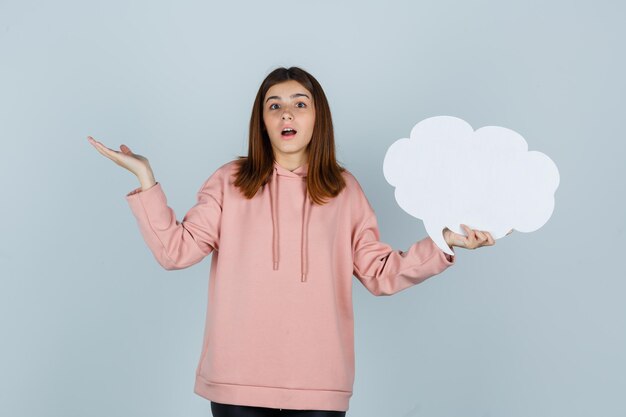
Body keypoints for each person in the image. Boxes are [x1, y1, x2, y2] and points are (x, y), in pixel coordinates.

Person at [88, 66, 499, 416]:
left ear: (318, 117)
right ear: (262, 120)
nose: (287, 113)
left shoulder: (344, 190)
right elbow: (175, 251)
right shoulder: (231, 181)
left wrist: (443, 242)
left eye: (300, 103)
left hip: (320, 383)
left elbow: (380, 273)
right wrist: (146, 179)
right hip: (236, 383)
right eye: (275, 105)